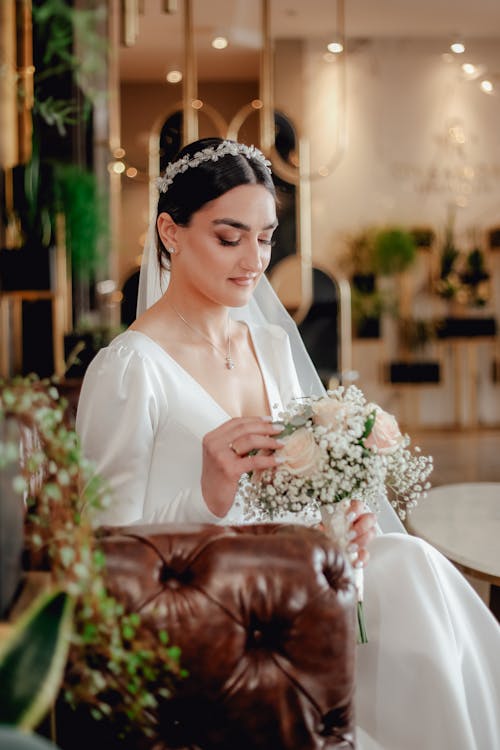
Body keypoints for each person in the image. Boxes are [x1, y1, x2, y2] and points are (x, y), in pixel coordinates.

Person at [76, 137, 500, 750]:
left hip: (302, 579)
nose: (254, 259)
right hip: (223, 611)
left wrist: (340, 526)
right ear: (170, 232)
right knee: (411, 575)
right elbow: (104, 555)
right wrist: (207, 492)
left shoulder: (270, 346)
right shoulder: (129, 370)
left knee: (407, 563)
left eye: (267, 236)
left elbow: (290, 497)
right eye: (229, 236)